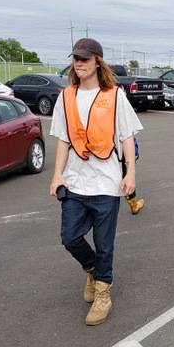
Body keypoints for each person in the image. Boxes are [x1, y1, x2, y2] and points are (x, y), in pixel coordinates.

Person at [49, 38, 143, 326]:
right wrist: (57, 174)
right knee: (69, 237)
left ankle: (103, 291)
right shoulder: (65, 97)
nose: (79, 63)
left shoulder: (115, 96)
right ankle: (92, 270)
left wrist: (130, 174)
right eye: (76, 58)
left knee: (104, 244)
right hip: (76, 182)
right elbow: (64, 139)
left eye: (85, 59)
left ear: (97, 62)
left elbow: (127, 136)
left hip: (106, 182)